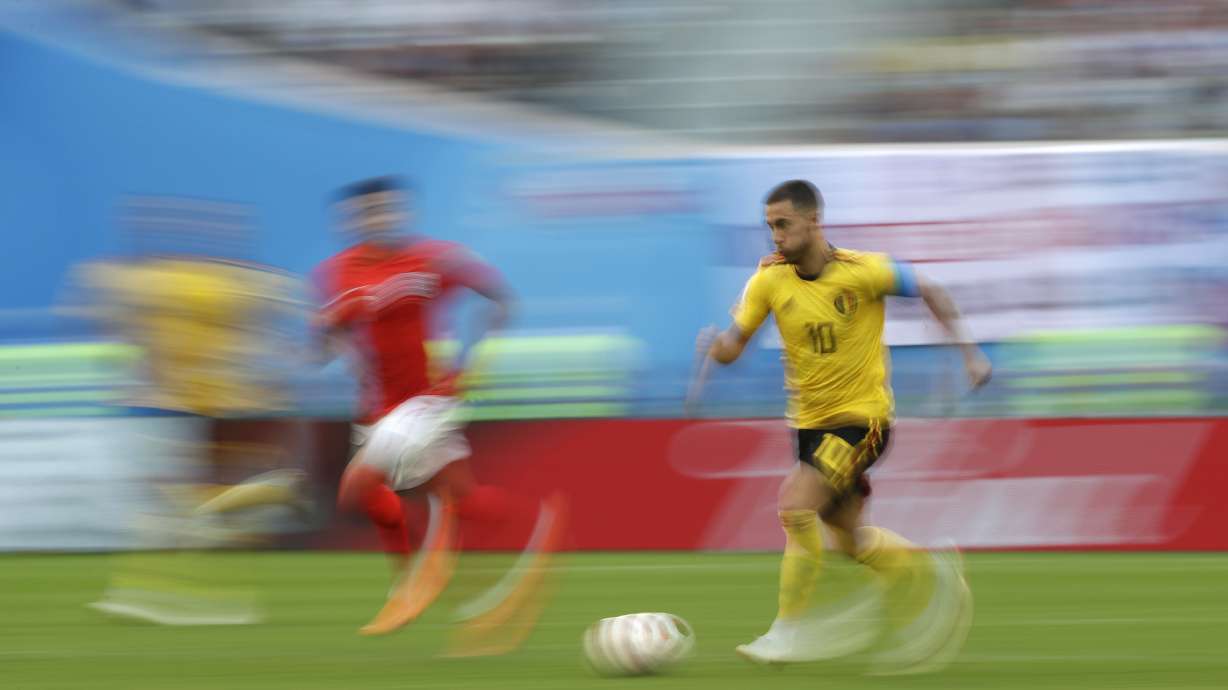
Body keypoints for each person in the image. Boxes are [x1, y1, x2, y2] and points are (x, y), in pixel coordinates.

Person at [696, 180, 991, 671]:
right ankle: (932, 572)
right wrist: (717, 348)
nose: (775, 236)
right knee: (849, 541)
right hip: (808, 426)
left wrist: (970, 353)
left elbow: (930, 289)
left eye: (783, 224)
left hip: (862, 421)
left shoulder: (863, 271)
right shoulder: (768, 280)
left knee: (794, 506)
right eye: (770, 226)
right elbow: (735, 343)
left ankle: (786, 631)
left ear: (814, 222)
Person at [313, 176, 564, 645]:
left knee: (358, 484)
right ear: (354, 221)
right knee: (459, 499)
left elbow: (499, 299)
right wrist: (326, 341)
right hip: (377, 407)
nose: (383, 218)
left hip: (431, 399)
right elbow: (335, 332)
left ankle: (409, 583)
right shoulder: (339, 272)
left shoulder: (435, 259)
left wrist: (472, 361)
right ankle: (537, 519)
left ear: (402, 211)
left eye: (390, 209)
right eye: (372, 212)